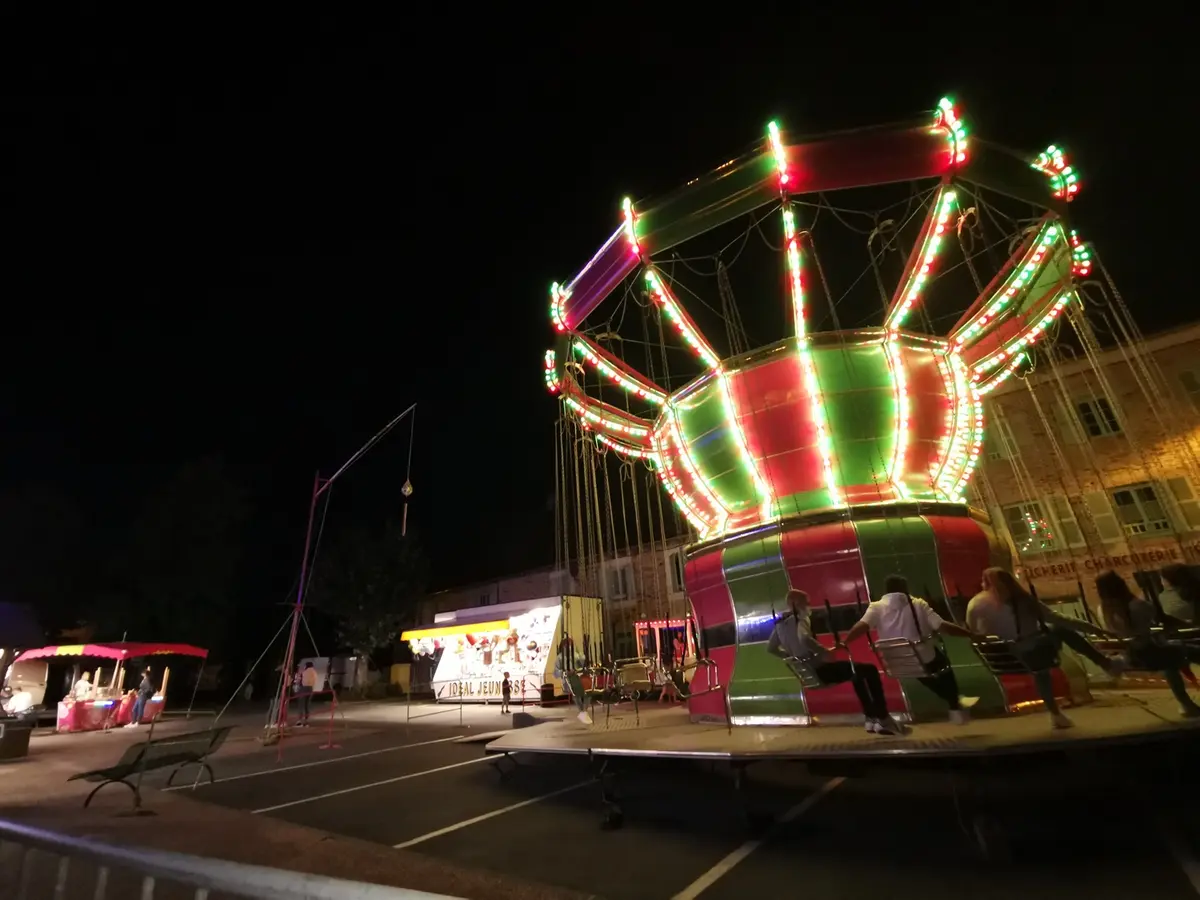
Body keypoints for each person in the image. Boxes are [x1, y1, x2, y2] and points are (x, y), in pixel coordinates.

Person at [967, 567, 1122, 729]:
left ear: (984, 583)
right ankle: (1106, 664)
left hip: (1012, 655)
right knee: (1060, 630)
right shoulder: (1022, 599)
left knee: (1041, 672)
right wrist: (1094, 629)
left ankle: (1056, 714)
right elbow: (1059, 618)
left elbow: (974, 632)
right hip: (1037, 648)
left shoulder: (975, 604)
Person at [841, 574, 981, 724]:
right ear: (905, 589)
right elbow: (943, 626)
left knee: (920, 670)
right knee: (941, 664)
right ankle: (955, 704)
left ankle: (955, 702)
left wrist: (845, 641)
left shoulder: (876, 607)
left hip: (896, 661)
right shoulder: (919, 604)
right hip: (922, 657)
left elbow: (862, 626)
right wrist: (970, 634)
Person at [768, 588, 904, 735]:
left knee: (856, 673)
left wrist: (792, 657)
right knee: (870, 670)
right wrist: (824, 651)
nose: (809, 606)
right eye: (806, 603)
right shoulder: (801, 618)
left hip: (810, 672)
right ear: (797, 604)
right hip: (822, 670)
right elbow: (804, 638)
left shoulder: (780, 625)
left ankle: (871, 719)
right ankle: (883, 718)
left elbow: (771, 648)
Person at [1096, 569, 1200, 717]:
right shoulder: (1137, 605)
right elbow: (1161, 619)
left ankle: (1186, 704)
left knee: (1173, 656)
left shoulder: (1103, 610)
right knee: (1185, 653)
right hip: (1149, 654)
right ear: (1121, 584)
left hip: (1131, 656)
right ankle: (1185, 704)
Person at [297, 661, 318, 726]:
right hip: (310, 688)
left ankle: (300, 719)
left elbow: (299, 680)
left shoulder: (304, 671)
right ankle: (307, 719)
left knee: (301, 704)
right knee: (307, 704)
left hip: (304, 688)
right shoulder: (314, 672)